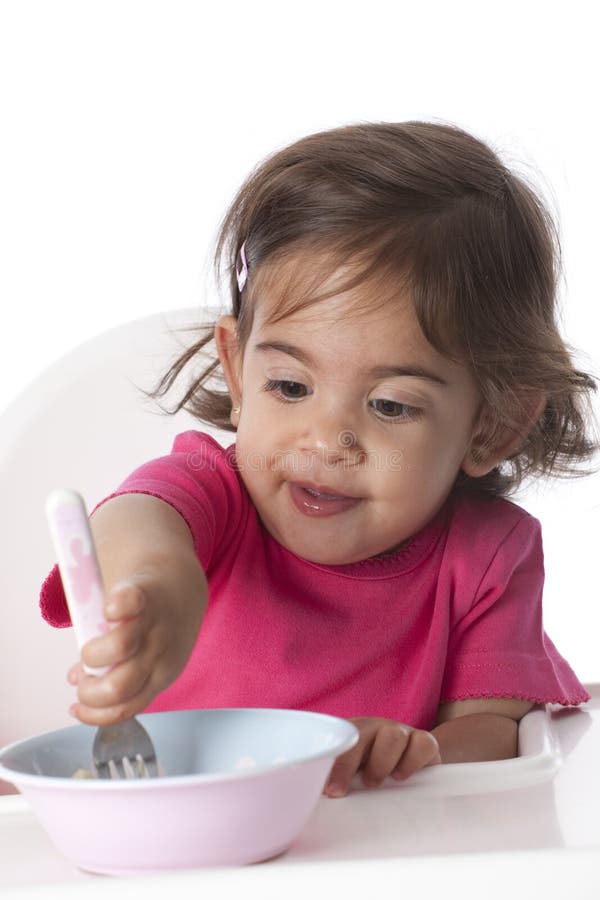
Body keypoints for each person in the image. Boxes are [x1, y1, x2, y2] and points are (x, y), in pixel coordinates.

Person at [40, 120, 599, 798]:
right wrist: (159, 587)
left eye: (391, 405)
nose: (326, 439)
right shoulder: (214, 493)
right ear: (240, 375)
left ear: (493, 425)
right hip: (171, 841)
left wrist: (415, 754)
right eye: (291, 387)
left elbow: (494, 734)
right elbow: (136, 521)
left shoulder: (486, 557)